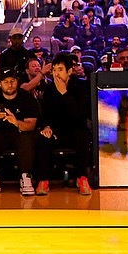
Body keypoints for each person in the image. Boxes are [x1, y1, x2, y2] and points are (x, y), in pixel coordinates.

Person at [36, 53, 93, 196]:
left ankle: (82, 178)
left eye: (60, 69)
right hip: (56, 130)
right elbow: (45, 114)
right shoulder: (49, 89)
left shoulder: (81, 86)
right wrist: (46, 127)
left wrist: (64, 93)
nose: (56, 74)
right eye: (54, 70)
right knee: (43, 139)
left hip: (76, 128)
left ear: (69, 71)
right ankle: (43, 180)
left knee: (82, 136)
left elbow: (80, 115)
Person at [0, 68, 39, 197]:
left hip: (20, 134)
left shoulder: (27, 98)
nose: (10, 85)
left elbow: (31, 125)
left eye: (12, 81)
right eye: (6, 82)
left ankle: (26, 177)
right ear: (0, 83)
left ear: (17, 81)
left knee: (28, 137)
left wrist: (16, 122)